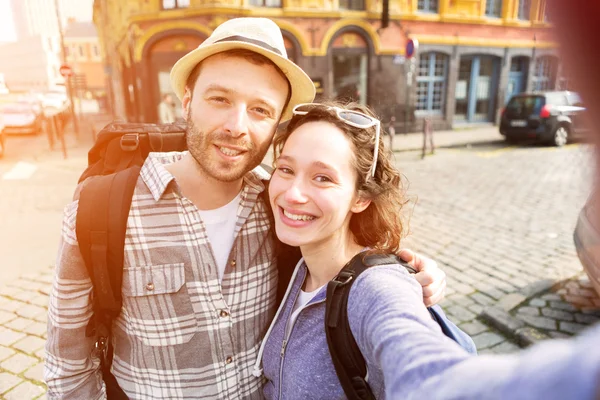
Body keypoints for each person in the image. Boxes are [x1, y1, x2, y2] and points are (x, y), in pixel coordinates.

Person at [44, 18, 446, 399]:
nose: (237, 125)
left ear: (276, 125)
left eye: (260, 110)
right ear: (186, 101)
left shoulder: (280, 201)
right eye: (220, 99)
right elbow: (67, 367)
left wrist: (407, 273)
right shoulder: (100, 209)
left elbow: (351, 254)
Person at [254, 101, 600, 399]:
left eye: (322, 178)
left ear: (361, 197)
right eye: (286, 169)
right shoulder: (291, 261)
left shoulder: (375, 290)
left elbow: (425, 366)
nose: (293, 193)